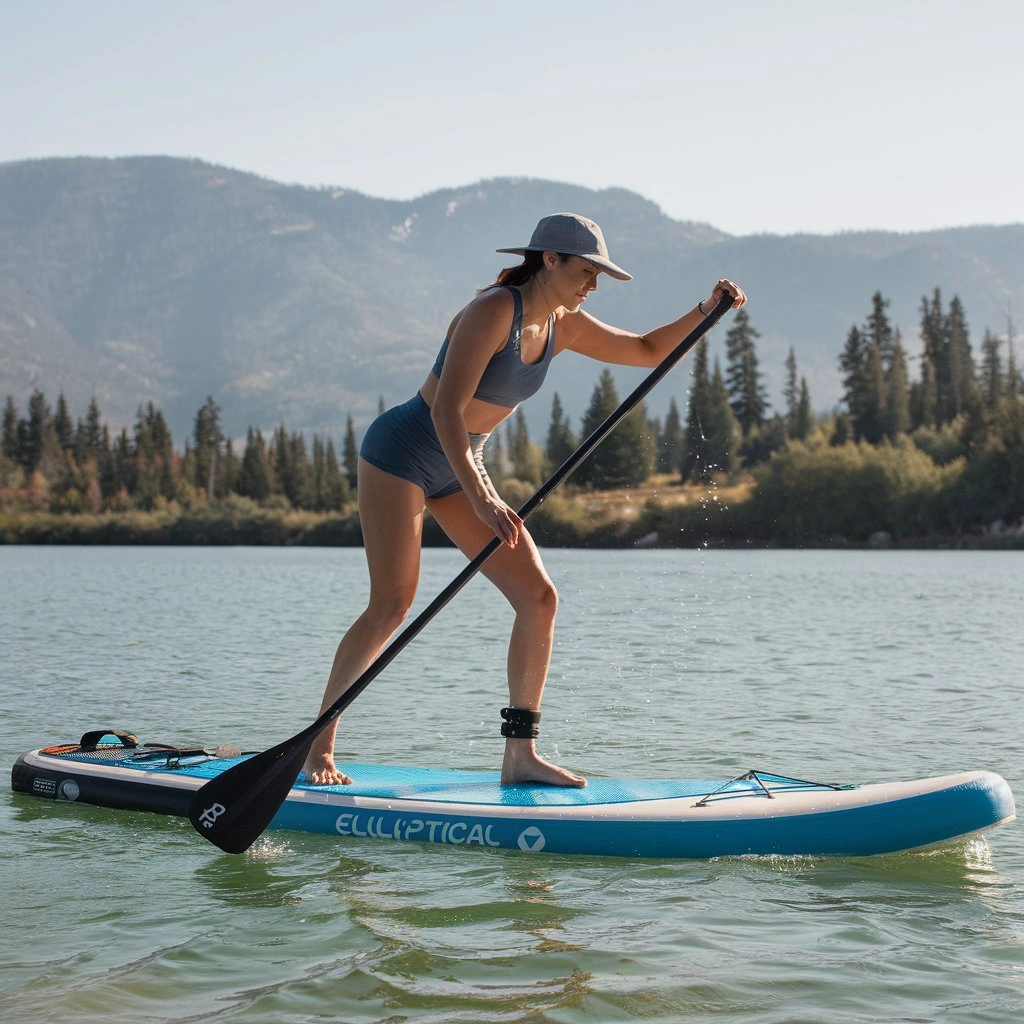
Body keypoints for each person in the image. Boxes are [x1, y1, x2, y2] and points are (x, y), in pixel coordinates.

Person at [302, 213, 746, 788]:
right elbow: (445, 411)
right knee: (392, 603)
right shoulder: (493, 310)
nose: (592, 285)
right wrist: (483, 495)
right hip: (404, 453)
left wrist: (705, 311)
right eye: (586, 271)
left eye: (599, 276)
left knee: (538, 598)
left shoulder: (566, 325)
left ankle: (520, 755)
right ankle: (318, 750)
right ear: (551, 260)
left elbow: (646, 349)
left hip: (463, 465)